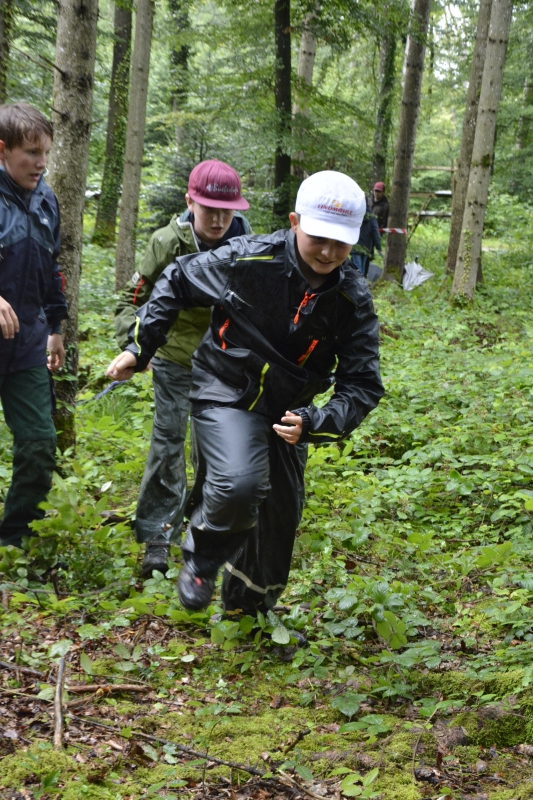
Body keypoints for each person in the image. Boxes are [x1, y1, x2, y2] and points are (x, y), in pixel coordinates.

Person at [106, 170, 384, 614]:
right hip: (226, 387)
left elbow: (363, 383)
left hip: (289, 410)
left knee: (280, 514)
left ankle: (247, 608)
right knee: (240, 483)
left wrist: (317, 421)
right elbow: (177, 278)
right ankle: (202, 557)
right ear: (295, 222)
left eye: (341, 243)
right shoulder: (250, 258)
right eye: (318, 238)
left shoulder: (351, 299)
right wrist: (140, 347)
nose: (328, 252)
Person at [114, 159, 251, 578]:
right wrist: (135, 347)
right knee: (169, 443)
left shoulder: (248, 244)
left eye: (226, 211)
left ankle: (206, 531)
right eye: (209, 209)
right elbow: (131, 300)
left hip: (225, 366)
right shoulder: (167, 243)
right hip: (174, 359)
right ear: (190, 202)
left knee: (216, 452)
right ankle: (158, 536)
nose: (218, 219)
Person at [0, 103, 67, 548]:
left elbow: (52, 268)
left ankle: (15, 540)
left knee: (40, 443)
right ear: (2, 150)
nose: (41, 163)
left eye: (45, 152)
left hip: (26, 342)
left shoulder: (46, 200)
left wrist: (56, 326)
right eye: (31, 153)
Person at [350, 204, 381, 277]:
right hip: (366, 247)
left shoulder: (355, 214)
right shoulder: (372, 217)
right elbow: (375, 232)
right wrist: (378, 247)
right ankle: (361, 281)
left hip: (355, 245)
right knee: (362, 269)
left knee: (357, 267)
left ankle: (358, 281)